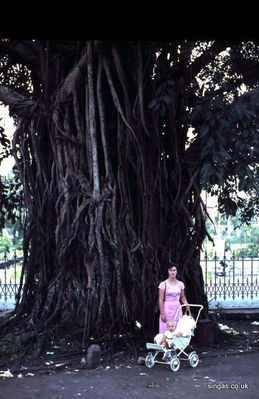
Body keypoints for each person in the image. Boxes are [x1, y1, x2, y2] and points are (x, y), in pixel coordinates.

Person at [158, 264, 190, 334]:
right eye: (170, 270)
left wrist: (187, 305)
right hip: (167, 308)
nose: (172, 272)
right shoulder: (163, 284)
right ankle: (164, 343)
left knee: (177, 328)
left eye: (174, 270)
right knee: (165, 328)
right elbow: (160, 300)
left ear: (177, 271)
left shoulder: (180, 284)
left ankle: (176, 344)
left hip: (177, 309)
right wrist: (162, 313)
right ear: (168, 272)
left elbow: (183, 297)